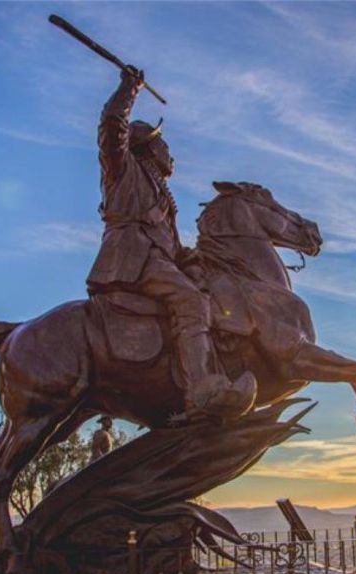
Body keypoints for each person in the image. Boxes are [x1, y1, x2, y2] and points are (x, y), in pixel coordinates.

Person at [87, 66, 256, 419]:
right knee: (191, 301)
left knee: (208, 292)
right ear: (148, 150)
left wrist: (197, 261)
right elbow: (112, 128)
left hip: (157, 262)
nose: (171, 154)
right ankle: (201, 391)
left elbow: (173, 247)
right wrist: (129, 89)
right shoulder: (123, 171)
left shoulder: (162, 195)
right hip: (133, 262)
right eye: (164, 145)